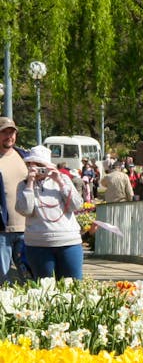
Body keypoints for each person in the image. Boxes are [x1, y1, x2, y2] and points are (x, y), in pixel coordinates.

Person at [15, 145, 84, 280]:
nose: (36, 168)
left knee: (74, 287)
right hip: (38, 244)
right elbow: (25, 210)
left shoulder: (63, 179)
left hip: (68, 242)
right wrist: (30, 183)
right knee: (45, 290)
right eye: (30, 164)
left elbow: (76, 205)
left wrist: (59, 181)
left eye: (40, 165)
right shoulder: (23, 185)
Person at [0, 117, 29, 284]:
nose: (9, 136)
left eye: (12, 132)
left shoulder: (24, 157)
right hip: (2, 229)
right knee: (2, 279)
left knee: (29, 279)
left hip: (27, 229)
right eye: (4, 132)